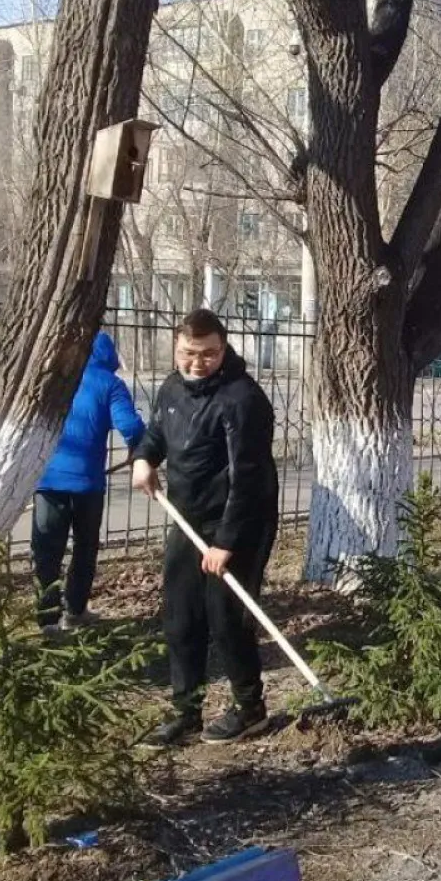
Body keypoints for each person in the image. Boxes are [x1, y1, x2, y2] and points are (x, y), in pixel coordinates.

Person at [132, 309, 279, 746]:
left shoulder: (242, 399)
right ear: (178, 347)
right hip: (187, 518)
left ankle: (250, 708)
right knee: (182, 617)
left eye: (208, 354)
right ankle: (186, 711)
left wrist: (226, 543)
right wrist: (144, 458)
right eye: (188, 353)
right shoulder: (172, 388)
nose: (197, 363)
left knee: (226, 616)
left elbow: (248, 478)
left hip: (239, 522)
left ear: (224, 348)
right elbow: (157, 433)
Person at [33, 331, 145, 631]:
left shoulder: (54, 381)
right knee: (85, 548)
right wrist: (138, 450)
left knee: (47, 551)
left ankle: (46, 621)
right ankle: (75, 611)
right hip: (88, 485)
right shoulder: (110, 384)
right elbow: (131, 426)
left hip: (48, 482)